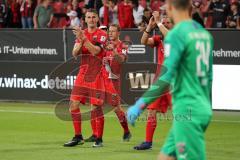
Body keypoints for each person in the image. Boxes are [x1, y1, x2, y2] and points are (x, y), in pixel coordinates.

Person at [127, 0, 213, 159]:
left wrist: (140, 104)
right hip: (202, 104)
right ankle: (148, 140)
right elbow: (209, 75)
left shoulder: (176, 35)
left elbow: (167, 76)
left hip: (187, 106)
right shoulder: (202, 33)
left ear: (171, 8)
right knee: (165, 157)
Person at [64, 9, 107, 148]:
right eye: (89, 17)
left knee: (95, 108)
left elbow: (96, 51)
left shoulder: (102, 34)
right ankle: (78, 136)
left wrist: (84, 39)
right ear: (85, 19)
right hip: (82, 74)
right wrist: (80, 41)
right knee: (73, 105)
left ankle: (99, 139)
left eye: (94, 17)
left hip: (96, 74)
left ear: (97, 19)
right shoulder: (82, 33)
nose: (92, 19)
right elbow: (75, 53)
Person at [133, 11, 172, 150]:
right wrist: (150, 26)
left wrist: (159, 22)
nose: (165, 24)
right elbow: (143, 41)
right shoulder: (159, 39)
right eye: (164, 22)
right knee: (151, 110)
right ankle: (148, 142)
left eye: (168, 22)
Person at [102, 24, 131, 141]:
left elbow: (122, 59)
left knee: (116, 108)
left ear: (119, 32)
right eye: (109, 31)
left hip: (114, 79)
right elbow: (103, 59)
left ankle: (126, 131)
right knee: (96, 105)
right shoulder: (105, 45)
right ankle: (96, 135)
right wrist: (104, 61)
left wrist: (114, 53)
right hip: (103, 78)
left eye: (113, 31)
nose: (110, 33)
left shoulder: (122, 45)